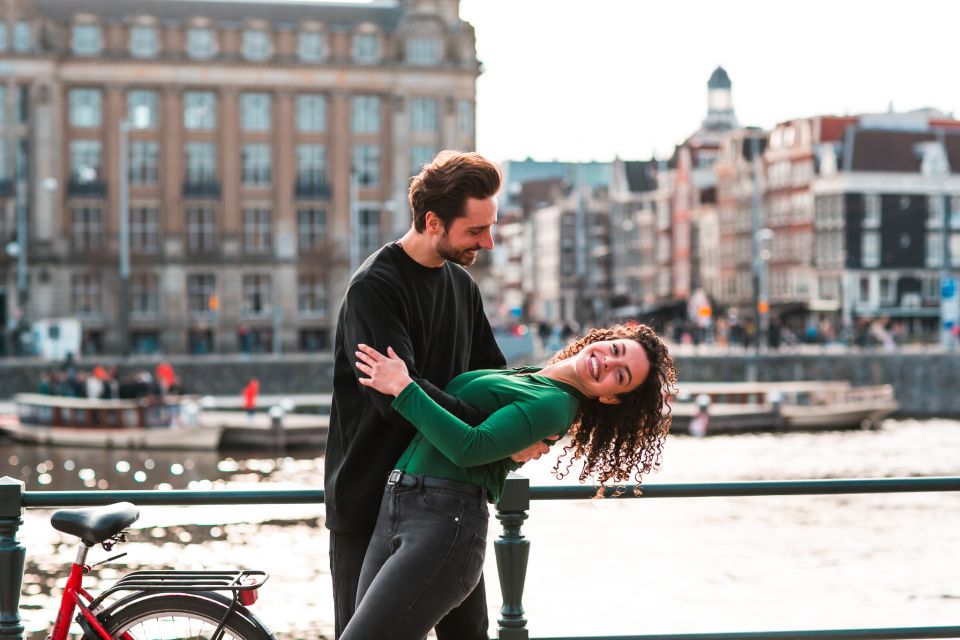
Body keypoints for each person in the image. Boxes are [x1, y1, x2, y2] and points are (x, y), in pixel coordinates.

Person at [324, 150, 552, 639]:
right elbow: (393, 403)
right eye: (475, 231)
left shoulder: (462, 287)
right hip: (368, 501)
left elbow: (495, 381)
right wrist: (489, 435)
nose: (488, 242)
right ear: (433, 221)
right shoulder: (374, 288)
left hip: (448, 504)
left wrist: (510, 423)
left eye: (490, 228)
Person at [342, 323, 677, 639]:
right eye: (615, 349)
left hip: (442, 526)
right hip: (401, 505)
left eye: (620, 375)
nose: (607, 362)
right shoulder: (534, 377)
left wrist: (403, 387)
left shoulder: (556, 404)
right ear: (600, 338)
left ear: (610, 398)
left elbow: (470, 447)